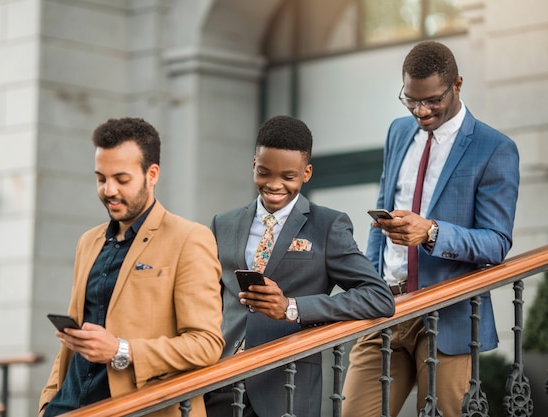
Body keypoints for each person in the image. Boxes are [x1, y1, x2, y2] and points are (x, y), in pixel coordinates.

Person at [341, 41, 520, 417]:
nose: (421, 111)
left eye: (433, 101)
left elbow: (497, 242)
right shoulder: (397, 132)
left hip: (446, 313)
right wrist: (370, 281)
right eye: (410, 100)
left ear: (457, 84)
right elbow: (381, 219)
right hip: (385, 306)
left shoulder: (494, 148)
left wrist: (432, 232)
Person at [204, 115, 396, 417]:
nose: (274, 185)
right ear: (253, 163)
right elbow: (207, 300)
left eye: (288, 177)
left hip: (286, 388)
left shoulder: (328, 225)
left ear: (306, 173)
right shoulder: (222, 224)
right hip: (219, 384)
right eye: (264, 172)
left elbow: (378, 297)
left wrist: (292, 308)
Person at [38, 117, 225, 417]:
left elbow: (205, 345)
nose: (108, 190)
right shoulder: (88, 241)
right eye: (100, 178)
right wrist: (48, 401)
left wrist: (121, 350)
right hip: (67, 408)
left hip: (136, 408)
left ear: (152, 174)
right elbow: (75, 334)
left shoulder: (190, 238)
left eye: (121, 179)